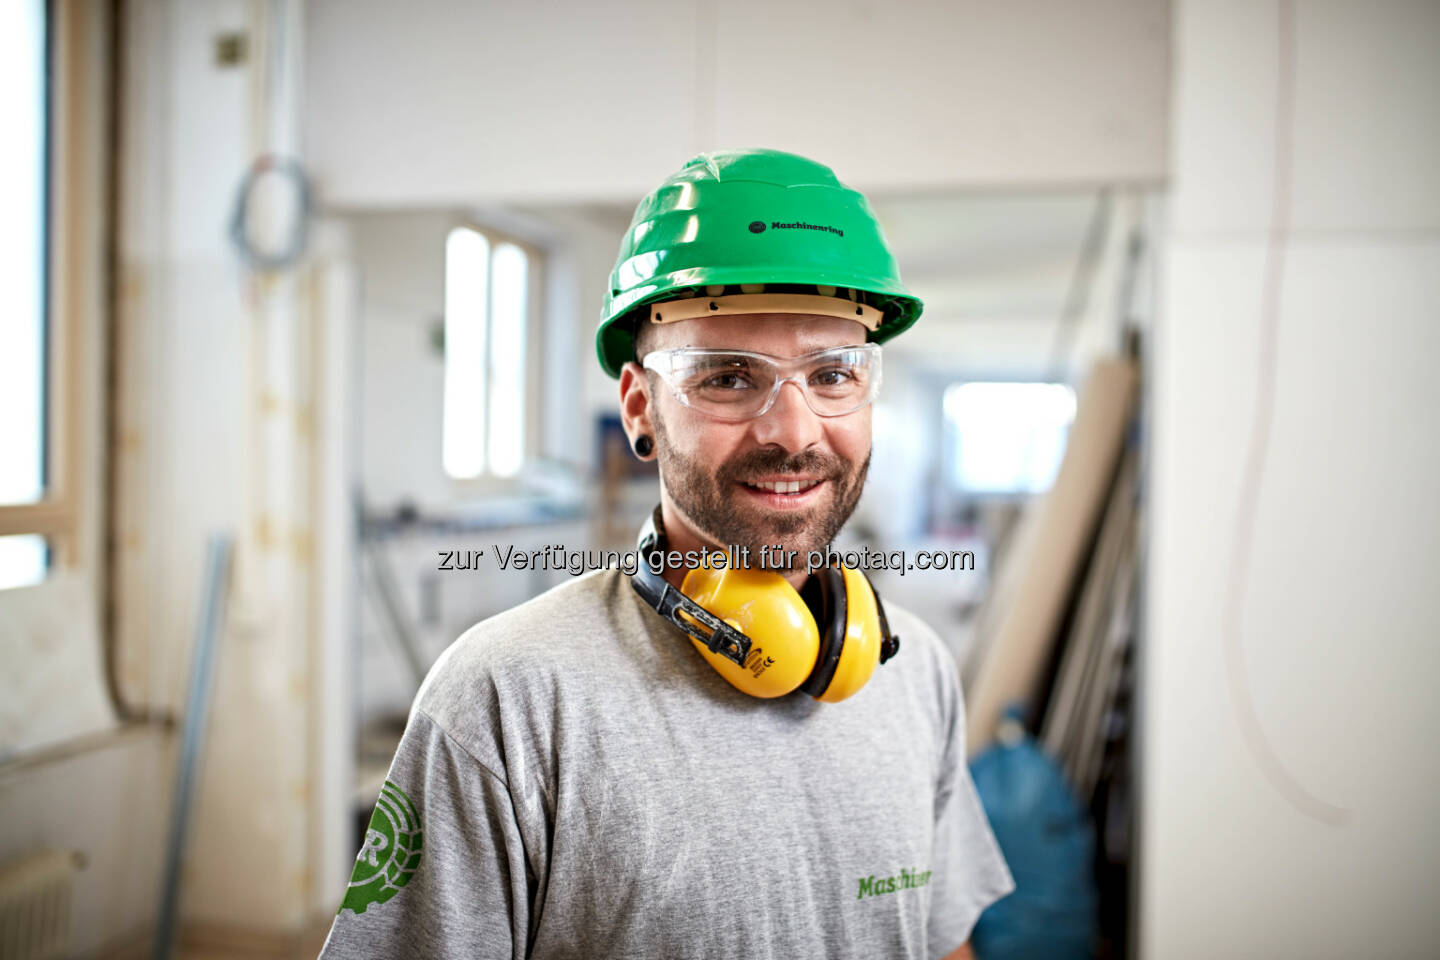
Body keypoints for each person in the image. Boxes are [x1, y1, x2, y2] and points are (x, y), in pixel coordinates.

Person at [317, 148, 1013, 960]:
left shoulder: (914, 668)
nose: (792, 431)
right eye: (726, 378)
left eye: (832, 374)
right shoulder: (506, 701)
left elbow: (942, 943)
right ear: (640, 408)